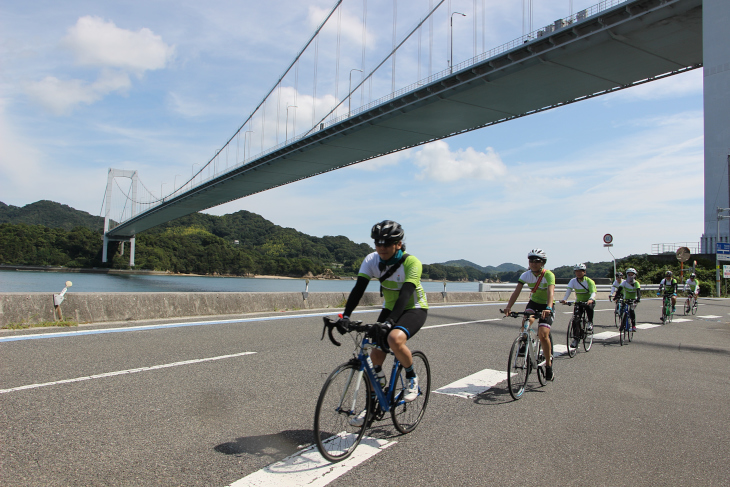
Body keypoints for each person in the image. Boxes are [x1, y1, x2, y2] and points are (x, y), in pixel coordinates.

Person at [337, 220, 428, 426]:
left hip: (414, 307)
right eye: (377, 244)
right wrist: (346, 316)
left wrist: (389, 323)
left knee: (394, 338)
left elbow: (405, 296)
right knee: (374, 358)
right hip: (389, 307)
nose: (381, 248)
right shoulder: (372, 260)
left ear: (398, 243)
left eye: (386, 243)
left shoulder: (411, 263)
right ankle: (370, 408)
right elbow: (358, 289)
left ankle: (412, 377)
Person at [503, 249, 555, 381]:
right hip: (534, 303)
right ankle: (524, 342)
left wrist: (548, 307)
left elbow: (551, 293)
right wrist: (509, 307)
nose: (533, 263)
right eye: (531, 261)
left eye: (537, 261)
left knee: (543, 334)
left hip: (546, 305)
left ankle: (548, 366)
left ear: (542, 263)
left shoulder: (548, 275)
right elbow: (516, 292)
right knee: (526, 321)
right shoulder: (526, 275)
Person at [560, 263, 596, 348]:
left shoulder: (589, 281)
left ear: (584, 272)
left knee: (589, 307)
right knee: (575, 319)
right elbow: (568, 290)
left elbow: (593, 292)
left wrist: (591, 299)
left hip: (588, 301)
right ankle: (576, 339)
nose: (578, 273)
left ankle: (590, 322)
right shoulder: (573, 281)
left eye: (580, 271)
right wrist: (565, 299)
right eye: (576, 271)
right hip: (579, 302)